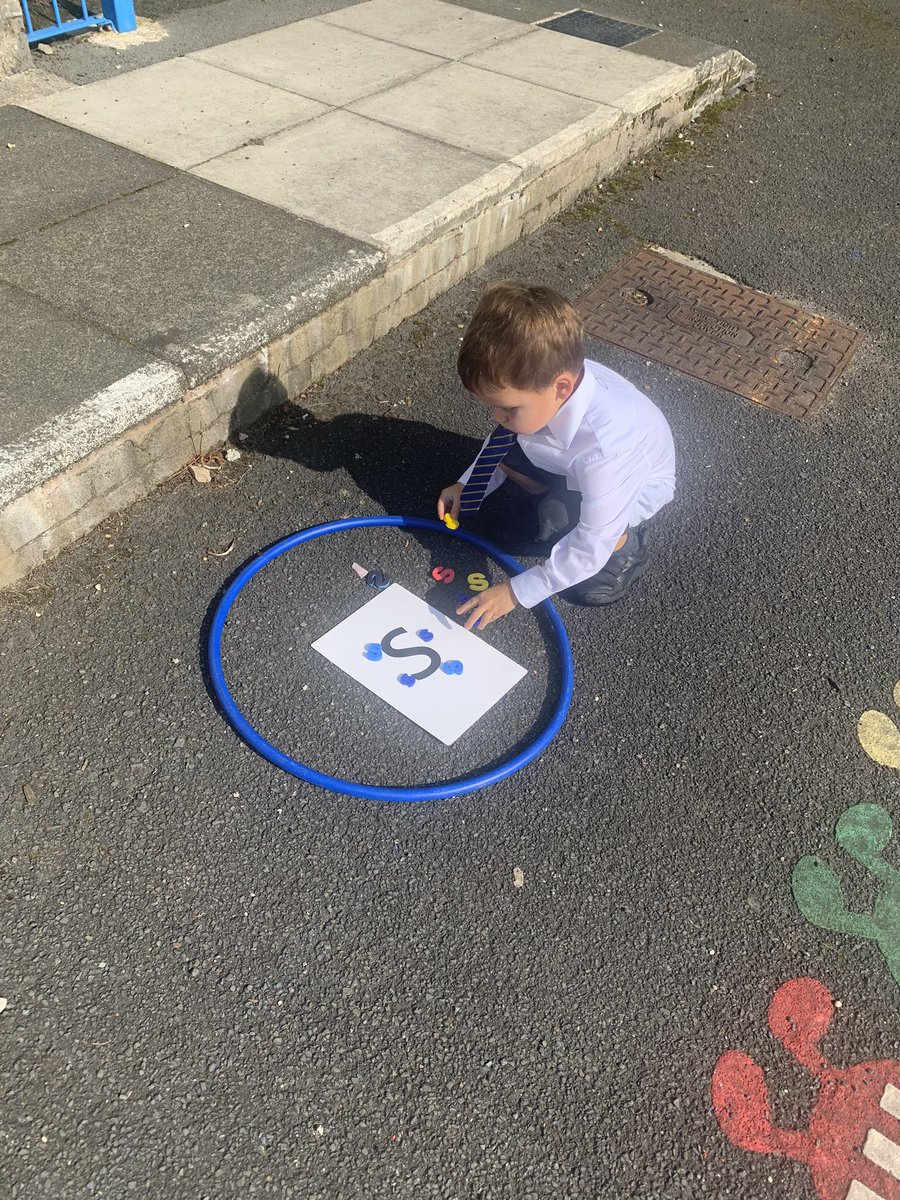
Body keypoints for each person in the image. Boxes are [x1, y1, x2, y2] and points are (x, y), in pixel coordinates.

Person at [437, 280, 675, 630]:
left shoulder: (608, 448)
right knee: (508, 520)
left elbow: (590, 544)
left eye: (505, 408)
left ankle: (626, 543)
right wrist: (465, 486)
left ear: (561, 388)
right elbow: (501, 439)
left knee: (589, 585)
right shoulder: (544, 381)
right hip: (566, 462)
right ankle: (547, 500)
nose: (495, 418)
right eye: (493, 407)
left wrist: (514, 593)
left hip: (621, 487)